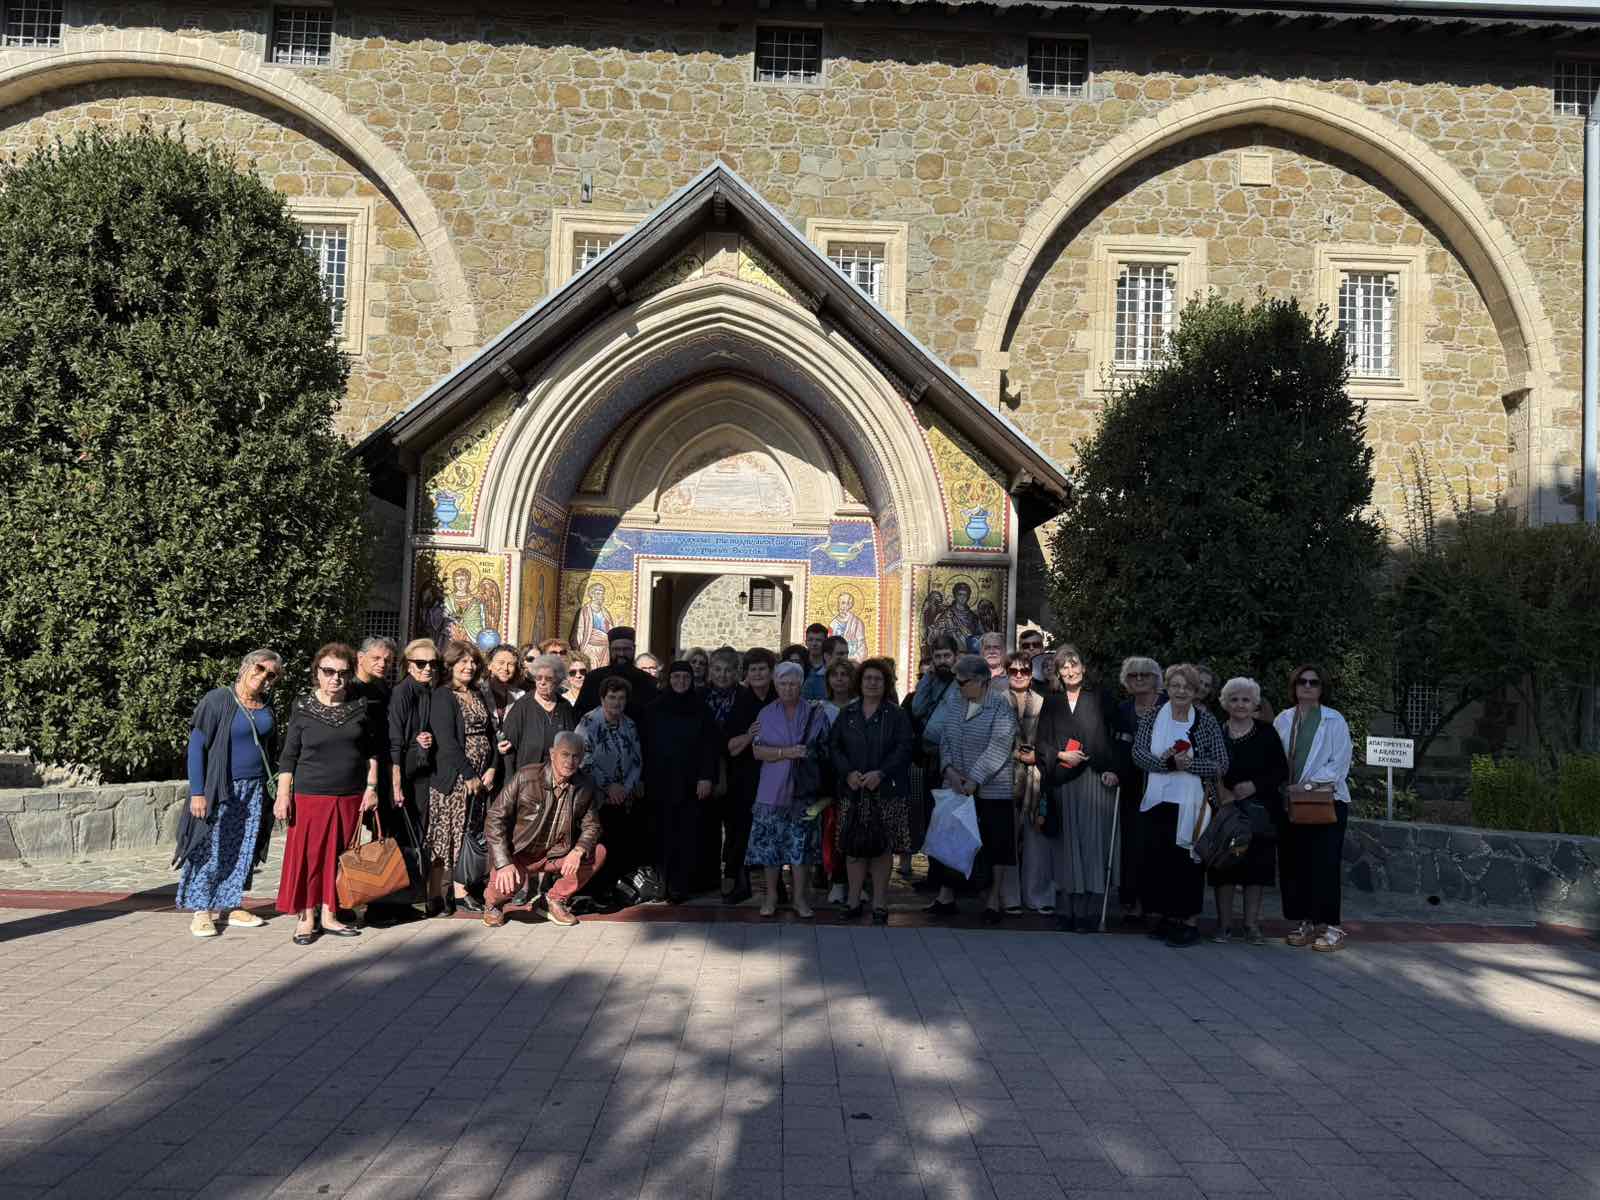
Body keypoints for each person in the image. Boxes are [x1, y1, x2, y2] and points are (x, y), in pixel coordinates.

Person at [274, 643, 383, 944]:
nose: (336, 678)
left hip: (349, 796)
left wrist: (371, 788)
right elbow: (289, 756)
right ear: (317, 673)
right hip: (310, 796)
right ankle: (306, 918)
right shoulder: (302, 707)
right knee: (310, 858)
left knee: (339, 858)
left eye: (342, 673)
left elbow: (372, 752)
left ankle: (330, 915)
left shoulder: (360, 707)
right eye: (329, 671)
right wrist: (283, 795)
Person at [175, 650, 283, 938]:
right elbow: (196, 748)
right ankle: (201, 911)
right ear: (245, 666)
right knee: (210, 848)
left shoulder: (267, 704)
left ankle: (231, 905)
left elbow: (271, 747)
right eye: (259, 668)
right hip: (220, 788)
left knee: (243, 847)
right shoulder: (217, 700)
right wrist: (198, 792)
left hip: (255, 788)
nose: (263, 676)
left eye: (271, 674)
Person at [1133, 663, 1228, 949]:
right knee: (1160, 862)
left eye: (1187, 686)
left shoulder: (1206, 721)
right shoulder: (1152, 716)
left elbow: (1221, 764)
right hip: (1158, 801)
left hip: (1193, 804)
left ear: (1196, 691)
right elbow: (1138, 754)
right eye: (1175, 685)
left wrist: (1190, 765)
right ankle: (1166, 918)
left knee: (1188, 865)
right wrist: (1168, 764)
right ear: (1167, 688)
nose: (1181, 691)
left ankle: (1189, 923)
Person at [1032, 646, 1120, 932]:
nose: (1070, 671)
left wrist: (1114, 770)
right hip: (1063, 780)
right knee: (1066, 846)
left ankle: (1089, 912)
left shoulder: (1100, 698)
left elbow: (1117, 738)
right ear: (1058, 673)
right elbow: (1041, 742)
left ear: (1083, 667)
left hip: (1095, 780)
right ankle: (1066, 910)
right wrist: (1060, 754)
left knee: (1092, 845)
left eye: (1074, 664)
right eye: (1064, 667)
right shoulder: (1052, 702)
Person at [482, 731, 606, 927]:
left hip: (556, 854)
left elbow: (592, 825)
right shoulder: (526, 777)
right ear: (552, 753)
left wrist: (578, 850)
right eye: (565, 754)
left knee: (597, 852)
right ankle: (492, 905)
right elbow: (494, 818)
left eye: (576, 756)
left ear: (582, 758)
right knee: (506, 885)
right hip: (520, 852)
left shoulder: (585, 784)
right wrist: (503, 862)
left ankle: (553, 900)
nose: (570, 761)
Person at [928, 654, 1019, 922]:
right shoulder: (956, 702)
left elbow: (999, 746)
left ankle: (993, 901)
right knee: (951, 838)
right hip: (956, 784)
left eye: (962, 682)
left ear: (980, 681)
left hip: (993, 788)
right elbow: (945, 739)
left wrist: (975, 779)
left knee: (997, 843)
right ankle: (946, 896)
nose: (958, 686)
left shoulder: (1001, 706)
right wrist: (949, 771)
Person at [1275, 664, 1354, 952]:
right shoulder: (1284, 719)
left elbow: (1339, 764)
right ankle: (1305, 921)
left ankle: (1332, 927)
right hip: (1291, 803)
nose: (1307, 686)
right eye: (1302, 681)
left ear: (1322, 688)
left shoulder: (1334, 720)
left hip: (1326, 802)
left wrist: (1307, 786)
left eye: (1314, 682)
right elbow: (1275, 758)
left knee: (1325, 865)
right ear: (1294, 686)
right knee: (1296, 865)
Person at [829, 658, 914, 924]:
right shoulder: (848, 714)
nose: (872, 683)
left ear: (886, 683)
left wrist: (882, 773)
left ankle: (879, 902)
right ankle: (853, 900)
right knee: (853, 848)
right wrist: (848, 773)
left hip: (886, 791)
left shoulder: (897, 715)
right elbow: (834, 747)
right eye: (868, 678)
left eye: (878, 679)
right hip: (853, 792)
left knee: (881, 849)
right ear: (860, 682)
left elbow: (904, 748)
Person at [748, 661, 830, 918]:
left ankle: (799, 899)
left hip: (804, 791)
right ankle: (771, 897)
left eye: (793, 683)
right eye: (783, 683)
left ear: (801, 684)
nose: (788, 688)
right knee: (770, 849)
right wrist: (787, 752)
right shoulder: (766, 713)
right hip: (771, 789)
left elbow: (826, 748)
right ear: (775, 684)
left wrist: (807, 754)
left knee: (800, 848)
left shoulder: (815, 712)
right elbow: (757, 751)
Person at [1212, 677, 1290, 945]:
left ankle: (1251, 926)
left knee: (1255, 869)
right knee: (1224, 868)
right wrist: (1222, 792)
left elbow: (1281, 770)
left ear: (1255, 703)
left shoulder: (1267, 732)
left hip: (1260, 810)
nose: (1240, 704)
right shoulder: (1217, 732)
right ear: (1225, 703)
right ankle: (1224, 926)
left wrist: (1254, 785)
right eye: (1234, 699)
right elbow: (1208, 767)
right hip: (1224, 808)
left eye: (1246, 700)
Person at [426, 640, 499, 916]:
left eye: (473, 662)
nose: (469, 666)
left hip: (480, 778)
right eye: (463, 661)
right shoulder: (443, 696)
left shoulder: (477, 693)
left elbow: (491, 734)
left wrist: (491, 767)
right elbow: (446, 740)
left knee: (468, 832)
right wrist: (468, 774)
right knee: (446, 836)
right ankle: (436, 893)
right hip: (454, 778)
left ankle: (460, 890)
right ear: (451, 664)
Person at [643, 661, 719, 901]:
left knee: (688, 835)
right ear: (669, 679)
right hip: (661, 782)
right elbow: (645, 746)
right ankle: (661, 885)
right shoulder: (654, 709)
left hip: (692, 784)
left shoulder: (702, 709)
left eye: (685, 677)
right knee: (662, 834)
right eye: (676, 677)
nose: (681, 682)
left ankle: (682, 886)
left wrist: (706, 777)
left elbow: (710, 746)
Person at [576, 675, 644, 902]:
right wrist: (609, 786)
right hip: (597, 798)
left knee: (620, 845)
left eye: (621, 698)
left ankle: (613, 889)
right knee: (599, 845)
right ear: (602, 698)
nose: (617, 702)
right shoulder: (589, 722)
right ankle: (594, 891)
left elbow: (637, 761)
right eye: (612, 697)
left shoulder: (629, 724)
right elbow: (583, 759)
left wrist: (625, 788)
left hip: (623, 798)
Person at [720, 647, 776, 904]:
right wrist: (750, 735)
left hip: (775, 775)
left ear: (771, 672)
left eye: (762, 669)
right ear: (747, 673)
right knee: (741, 830)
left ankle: (775, 886)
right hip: (744, 776)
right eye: (753, 669)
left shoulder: (779, 697)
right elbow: (731, 747)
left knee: (773, 830)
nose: (758, 674)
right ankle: (737, 881)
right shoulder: (741, 701)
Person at [1110, 656, 1163, 919]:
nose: (1139, 679)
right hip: (1130, 784)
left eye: (1145, 675)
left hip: (1162, 782)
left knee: (1157, 843)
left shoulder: (1168, 706)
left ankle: (1156, 903)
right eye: (1133, 675)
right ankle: (1132, 902)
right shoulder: (1123, 709)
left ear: (1156, 679)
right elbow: (1116, 745)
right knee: (1132, 844)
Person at [909, 635, 963, 888]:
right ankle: (934, 875)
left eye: (946, 656)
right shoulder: (932, 681)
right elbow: (917, 709)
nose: (942, 661)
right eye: (938, 657)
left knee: (948, 818)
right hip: (931, 758)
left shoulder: (962, 683)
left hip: (953, 760)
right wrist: (927, 679)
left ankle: (950, 880)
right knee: (931, 815)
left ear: (955, 657)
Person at [1000, 650, 1047, 912]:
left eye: (1025, 670)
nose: (1019, 675)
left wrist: (1037, 756)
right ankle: (1010, 897)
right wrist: (1015, 754)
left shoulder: (1042, 702)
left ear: (1031, 674)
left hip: (1035, 777)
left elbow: (1050, 737)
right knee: (1007, 837)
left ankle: (1036, 895)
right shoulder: (996, 701)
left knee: (1035, 839)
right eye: (1013, 671)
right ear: (1007, 673)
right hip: (1003, 775)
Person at [388, 638, 437, 870]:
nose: (427, 668)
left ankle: (414, 883)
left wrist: (427, 736)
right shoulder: (402, 692)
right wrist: (396, 780)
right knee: (402, 831)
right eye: (421, 663)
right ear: (409, 666)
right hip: (404, 771)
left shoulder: (428, 691)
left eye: (432, 664)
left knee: (418, 831)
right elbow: (395, 737)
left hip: (421, 770)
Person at [499, 653, 577, 775]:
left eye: (548, 679)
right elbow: (508, 750)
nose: (542, 682)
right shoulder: (522, 706)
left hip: (558, 776)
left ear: (557, 681)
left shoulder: (564, 706)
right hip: (528, 777)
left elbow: (573, 744)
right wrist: (510, 781)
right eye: (538, 678)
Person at [574, 626, 655, 721]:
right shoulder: (593, 678)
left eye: (626, 649)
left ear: (634, 649)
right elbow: (580, 714)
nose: (621, 654)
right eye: (616, 649)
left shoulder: (647, 680)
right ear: (610, 650)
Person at [483, 644, 525, 729]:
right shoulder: (479, 692)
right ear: (489, 665)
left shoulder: (520, 695)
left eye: (511, 664)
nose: (505, 668)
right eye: (501, 663)